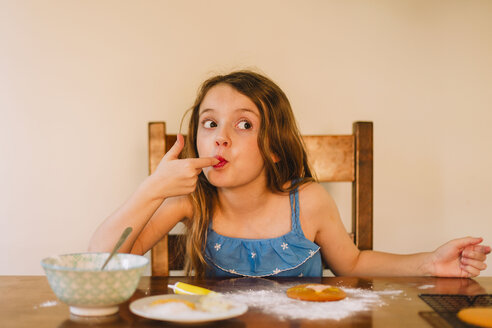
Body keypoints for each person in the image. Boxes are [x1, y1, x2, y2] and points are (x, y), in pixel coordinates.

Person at [89, 70, 490, 278]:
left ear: (275, 145)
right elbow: (99, 262)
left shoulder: (310, 202)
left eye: (244, 125)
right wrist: (149, 191)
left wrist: (429, 264)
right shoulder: (190, 201)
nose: (220, 139)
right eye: (209, 124)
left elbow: (352, 265)